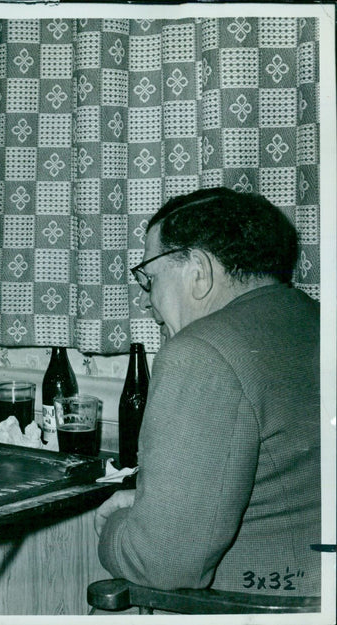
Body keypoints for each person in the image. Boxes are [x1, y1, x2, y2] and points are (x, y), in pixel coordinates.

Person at [95, 187, 320, 600]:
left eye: (149, 278)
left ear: (198, 270)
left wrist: (115, 526)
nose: (148, 303)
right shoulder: (313, 318)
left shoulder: (200, 354)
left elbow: (161, 563)